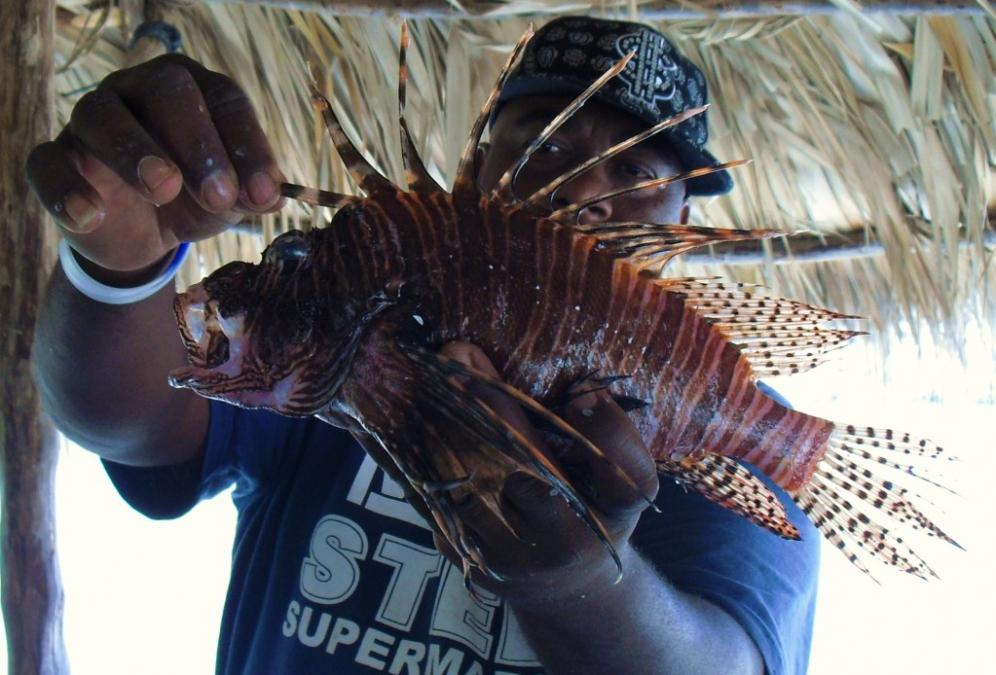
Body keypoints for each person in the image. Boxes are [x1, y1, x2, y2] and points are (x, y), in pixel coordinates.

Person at [28, 16, 819, 675]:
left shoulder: (739, 425)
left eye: (635, 170)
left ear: (679, 222)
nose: (582, 188)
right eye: (546, 147)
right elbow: (126, 419)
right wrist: (117, 270)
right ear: (478, 164)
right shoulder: (354, 339)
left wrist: (576, 581)